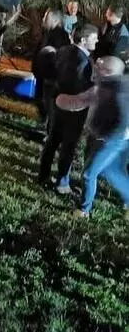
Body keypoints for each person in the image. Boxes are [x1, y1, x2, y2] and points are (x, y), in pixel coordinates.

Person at [54, 56, 129, 218]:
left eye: (99, 69)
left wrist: (112, 136)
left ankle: (83, 210)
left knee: (90, 173)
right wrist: (63, 100)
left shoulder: (121, 91)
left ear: (108, 72)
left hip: (113, 140)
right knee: (112, 171)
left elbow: (122, 118)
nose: (95, 71)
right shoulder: (99, 88)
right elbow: (80, 101)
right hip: (98, 136)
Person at [39, 24, 99, 194]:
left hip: (58, 103)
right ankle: (62, 183)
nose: (97, 41)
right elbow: (79, 87)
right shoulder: (83, 62)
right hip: (74, 109)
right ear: (84, 40)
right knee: (68, 146)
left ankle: (43, 175)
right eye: (94, 38)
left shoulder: (63, 50)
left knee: (52, 141)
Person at [31, 10, 71, 127]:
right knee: (40, 100)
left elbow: (57, 57)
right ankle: (45, 123)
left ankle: (49, 129)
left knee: (47, 103)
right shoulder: (48, 33)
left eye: (46, 17)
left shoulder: (60, 35)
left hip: (49, 77)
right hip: (42, 75)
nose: (43, 20)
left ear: (55, 20)